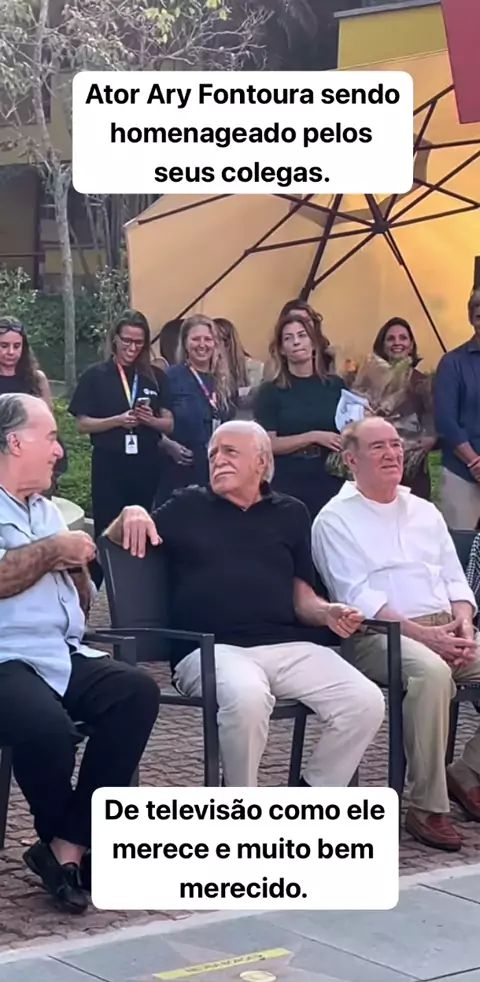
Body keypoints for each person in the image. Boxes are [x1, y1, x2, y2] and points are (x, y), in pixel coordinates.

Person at [106, 420, 385, 789]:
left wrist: (327, 612)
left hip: (286, 646)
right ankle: (240, 804)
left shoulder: (291, 512)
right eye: (213, 455)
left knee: (364, 701)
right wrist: (131, 512)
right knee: (248, 698)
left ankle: (310, 799)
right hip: (210, 650)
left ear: (261, 461)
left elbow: (301, 595)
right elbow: (115, 540)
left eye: (230, 452)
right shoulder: (187, 505)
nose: (217, 460)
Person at [0, 393, 160, 913]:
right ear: (15, 442)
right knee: (46, 728)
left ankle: (67, 844)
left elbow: (80, 599)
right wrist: (54, 551)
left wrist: (78, 571)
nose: (58, 451)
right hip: (5, 656)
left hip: (59, 651)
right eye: (50, 438)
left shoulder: (46, 510)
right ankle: (66, 846)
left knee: (135, 692)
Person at [312, 416, 480, 852]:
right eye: (378, 447)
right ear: (351, 460)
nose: (392, 453)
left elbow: (455, 580)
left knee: (446, 662)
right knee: (431, 674)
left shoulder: (424, 510)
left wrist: (464, 623)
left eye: (395, 445)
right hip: (377, 635)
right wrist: (427, 638)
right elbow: (357, 598)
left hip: (446, 626)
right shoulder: (335, 519)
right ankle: (425, 807)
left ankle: (469, 771)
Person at [68, 310, 173, 585]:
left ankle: (136, 586)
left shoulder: (155, 377)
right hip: (110, 462)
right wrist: (117, 421)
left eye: (138, 342)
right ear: (114, 339)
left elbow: (169, 424)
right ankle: (96, 588)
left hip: (147, 462)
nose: (132, 348)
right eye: (127, 340)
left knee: (143, 526)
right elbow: (83, 424)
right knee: (107, 528)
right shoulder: (96, 376)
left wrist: (150, 420)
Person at [254, 311, 345, 520]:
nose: (296, 342)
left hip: (331, 477)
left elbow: (348, 428)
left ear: (314, 343)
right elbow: (268, 443)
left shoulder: (335, 385)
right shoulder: (271, 391)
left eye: (302, 335)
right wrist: (313, 436)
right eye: (288, 338)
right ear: (281, 350)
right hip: (290, 480)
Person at [155, 315, 234, 501]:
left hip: (215, 470)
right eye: (196, 339)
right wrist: (168, 445)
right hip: (180, 470)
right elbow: (151, 422)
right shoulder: (171, 377)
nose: (202, 345)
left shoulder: (223, 380)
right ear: (185, 343)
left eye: (207, 339)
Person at [0, 315, 67, 489]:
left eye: (17, 346)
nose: (11, 352)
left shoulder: (36, 379)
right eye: (4, 346)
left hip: (35, 461)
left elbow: (49, 423)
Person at [373, 317, 436, 499]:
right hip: (377, 465)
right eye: (390, 339)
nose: (397, 343)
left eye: (403, 338)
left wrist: (430, 437)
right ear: (382, 345)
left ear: (411, 345)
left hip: (412, 468)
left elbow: (433, 417)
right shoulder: (371, 379)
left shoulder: (421, 381)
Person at [435, 288, 480, 528]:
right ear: (471, 319)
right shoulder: (452, 363)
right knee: (461, 544)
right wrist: (474, 462)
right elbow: (446, 421)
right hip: (462, 472)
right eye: (479, 316)